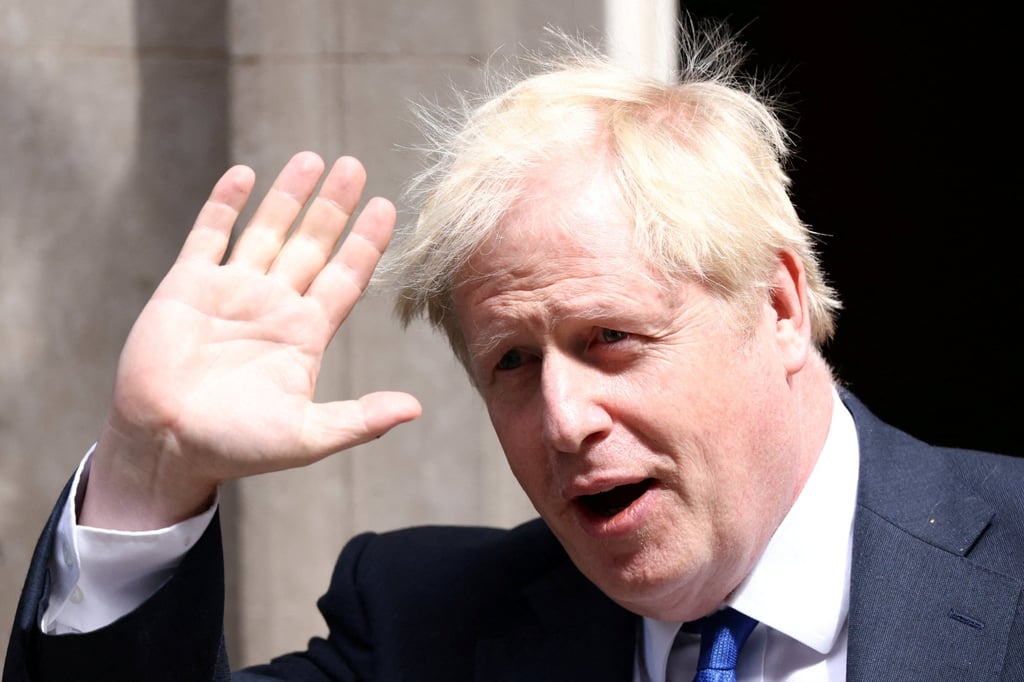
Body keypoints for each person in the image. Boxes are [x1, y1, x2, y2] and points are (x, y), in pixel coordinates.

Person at [5, 21, 1024, 682]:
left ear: (778, 303)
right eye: (513, 364)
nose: (565, 419)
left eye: (609, 339)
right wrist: (151, 471)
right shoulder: (422, 630)